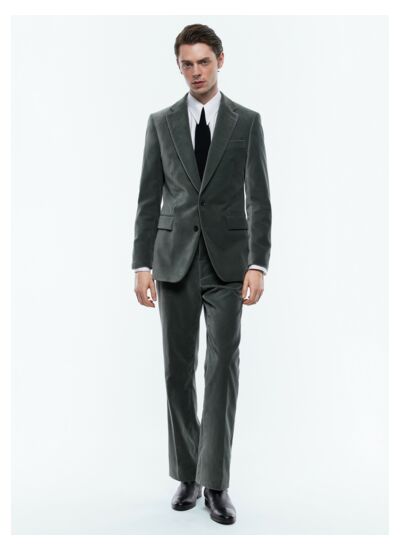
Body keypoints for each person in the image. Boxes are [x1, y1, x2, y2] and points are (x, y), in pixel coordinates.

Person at [131, 23, 272, 525]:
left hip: (228, 264)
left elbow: (259, 198)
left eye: (204, 62)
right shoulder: (161, 123)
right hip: (173, 261)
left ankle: (216, 483)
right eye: (187, 64)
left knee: (221, 369)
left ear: (220, 60)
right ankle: (187, 474)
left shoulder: (246, 122)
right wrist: (142, 264)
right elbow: (149, 199)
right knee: (177, 370)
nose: (196, 72)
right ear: (179, 66)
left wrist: (258, 263)